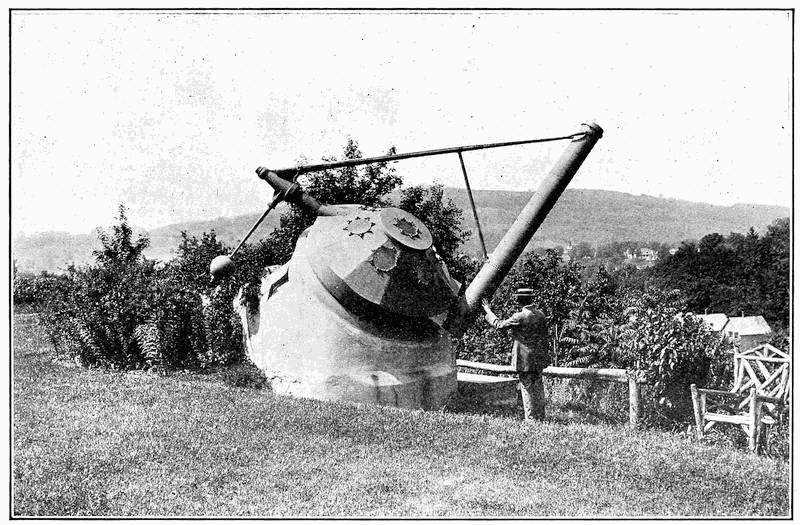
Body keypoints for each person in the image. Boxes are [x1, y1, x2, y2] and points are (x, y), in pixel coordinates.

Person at [482, 288, 550, 420]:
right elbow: (544, 337)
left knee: (527, 388)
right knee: (538, 387)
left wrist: (488, 311)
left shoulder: (519, 316)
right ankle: (541, 417)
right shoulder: (541, 315)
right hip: (538, 357)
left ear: (519, 300)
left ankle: (531, 420)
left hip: (524, 359)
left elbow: (499, 325)